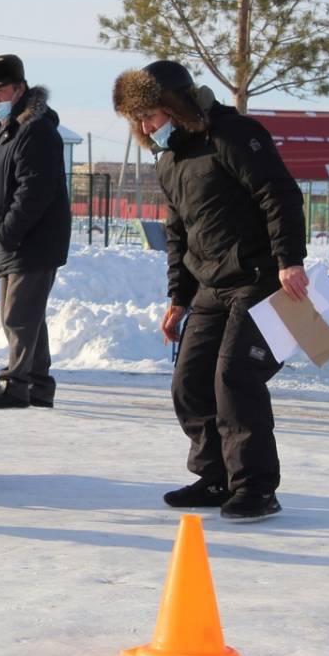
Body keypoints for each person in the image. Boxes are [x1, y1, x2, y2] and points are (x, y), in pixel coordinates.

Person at [113, 59, 308, 522]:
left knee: (235, 378)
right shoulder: (171, 160)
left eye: (151, 115)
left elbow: (278, 194)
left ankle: (256, 487)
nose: (146, 127)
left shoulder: (233, 135)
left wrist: (289, 261)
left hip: (259, 278)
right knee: (190, 381)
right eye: (138, 120)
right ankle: (215, 475)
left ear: (175, 106)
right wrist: (178, 297)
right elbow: (178, 232)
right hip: (210, 286)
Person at [0, 55, 72, 409]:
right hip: (9, 240)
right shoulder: (4, 131)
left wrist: (8, 230)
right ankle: (39, 385)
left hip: (30, 239)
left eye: (0, 91)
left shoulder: (35, 130)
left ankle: (15, 386)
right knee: (27, 316)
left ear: (20, 88)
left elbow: (34, 190)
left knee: (17, 315)